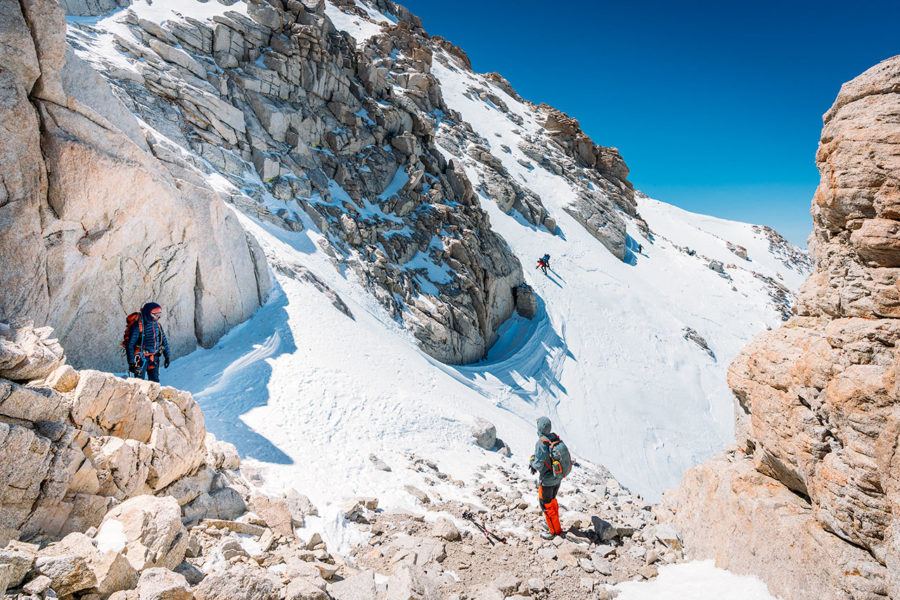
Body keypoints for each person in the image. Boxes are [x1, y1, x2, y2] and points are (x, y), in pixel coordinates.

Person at [529, 416, 564, 539]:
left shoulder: (541, 442)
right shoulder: (553, 438)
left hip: (547, 481)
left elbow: (538, 465)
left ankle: (554, 531)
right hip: (557, 478)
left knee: (545, 504)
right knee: (552, 501)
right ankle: (553, 523)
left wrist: (531, 461)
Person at [125, 302, 170, 382]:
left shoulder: (157, 325)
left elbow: (164, 341)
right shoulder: (138, 326)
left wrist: (167, 356)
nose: (158, 316)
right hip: (141, 359)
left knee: (155, 382)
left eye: (159, 314)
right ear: (148, 313)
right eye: (155, 314)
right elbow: (130, 345)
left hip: (154, 358)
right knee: (139, 383)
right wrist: (131, 362)